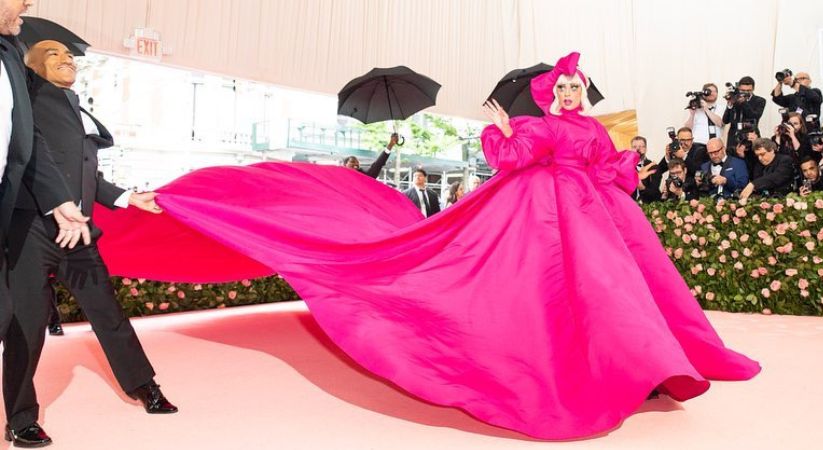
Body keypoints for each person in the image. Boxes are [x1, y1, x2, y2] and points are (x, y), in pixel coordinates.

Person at [90, 52, 760, 440]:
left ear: (581, 92)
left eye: (574, 88)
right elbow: (550, 163)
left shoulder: (574, 130)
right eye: (563, 88)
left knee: (608, 298)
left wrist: (531, 142)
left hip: (586, 220)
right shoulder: (566, 128)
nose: (569, 93)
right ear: (553, 92)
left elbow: (558, 163)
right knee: (588, 299)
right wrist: (522, 140)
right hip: (569, 221)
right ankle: (626, 373)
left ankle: (637, 371)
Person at [4, 41, 179, 437]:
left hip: (79, 233)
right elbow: (29, 162)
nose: (67, 59)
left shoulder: (74, 106)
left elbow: (87, 177)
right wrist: (56, 206)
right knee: (26, 328)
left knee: (109, 316)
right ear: (30, 66)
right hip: (33, 230)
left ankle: (144, 387)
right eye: (53, 54)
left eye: (69, 55)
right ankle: (21, 420)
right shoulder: (26, 101)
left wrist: (127, 197)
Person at [0, 2, 92, 446]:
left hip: (39, 217)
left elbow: (27, 142)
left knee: (15, 320)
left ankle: (19, 417)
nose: (27, 4)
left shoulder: (12, 57)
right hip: (23, 226)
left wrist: (60, 201)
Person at [723, 76, 766, 149]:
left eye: (748, 90)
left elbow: (754, 116)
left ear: (753, 89)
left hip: (750, 136)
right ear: (739, 88)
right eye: (743, 90)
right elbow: (725, 120)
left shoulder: (760, 100)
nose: (745, 92)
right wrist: (729, 105)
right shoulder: (735, 99)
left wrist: (744, 102)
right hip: (733, 138)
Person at [630, 136, 661, 203]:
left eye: (641, 146)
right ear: (631, 149)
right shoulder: (626, 167)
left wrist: (642, 188)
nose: (637, 149)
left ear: (646, 149)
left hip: (649, 205)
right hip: (631, 206)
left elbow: (655, 192)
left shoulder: (653, 166)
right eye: (634, 147)